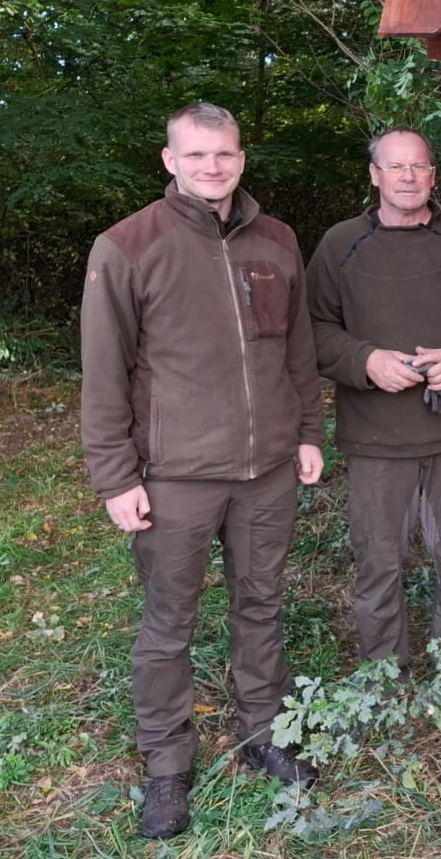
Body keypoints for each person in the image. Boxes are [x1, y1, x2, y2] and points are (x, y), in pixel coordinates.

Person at [80, 102, 324, 840]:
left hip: (267, 473)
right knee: (168, 624)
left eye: (224, 154)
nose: (211, 166)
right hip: (175, 476)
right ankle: (165, 764)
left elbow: (298, 352)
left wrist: (309, 430)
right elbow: (103, 374)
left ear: (240, 158)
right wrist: (116, 476)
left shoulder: (277, 241)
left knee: (261, 604)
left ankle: (264, 734)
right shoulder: (127, 247)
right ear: (170, 160)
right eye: (196, 155)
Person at [307, 128, 441, 713]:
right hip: (375, 436)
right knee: (378, 561)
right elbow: (312, 331)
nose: (408, 176)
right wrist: (366, 361)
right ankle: (382, 680)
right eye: (396, 167)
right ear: (375, 176)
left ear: (433, 176)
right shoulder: (340, 245)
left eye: (419, 166)